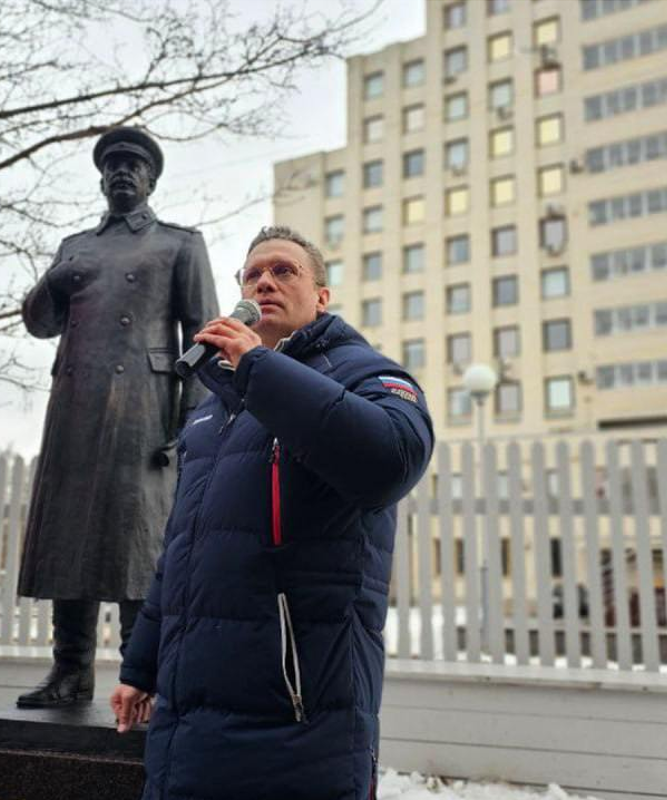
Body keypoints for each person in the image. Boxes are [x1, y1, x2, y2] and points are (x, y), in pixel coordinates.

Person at [109, 226, 435, 800]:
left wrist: (258, 368)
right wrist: (141, 668)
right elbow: (184, 548)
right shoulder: (213, 410)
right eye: (252, 274)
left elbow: (392, 460)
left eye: (284, 271)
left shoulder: (364, 374)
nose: (264, 281)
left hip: (299, 717)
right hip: (188, 723)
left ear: (322, 297)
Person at [17, 127, 218, 708]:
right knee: (68, 536)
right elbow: (39, 324)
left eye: (134, 165)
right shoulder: (75, 246)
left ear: (151, 179)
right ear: (101, 178)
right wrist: (51, 279)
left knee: (138, 542)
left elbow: (202, 336)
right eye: (113, 166)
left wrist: (190, 421)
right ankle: (70, 670)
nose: (122, 173)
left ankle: (142, 677)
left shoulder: (178, 244)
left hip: (143, 409)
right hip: (75, 407)